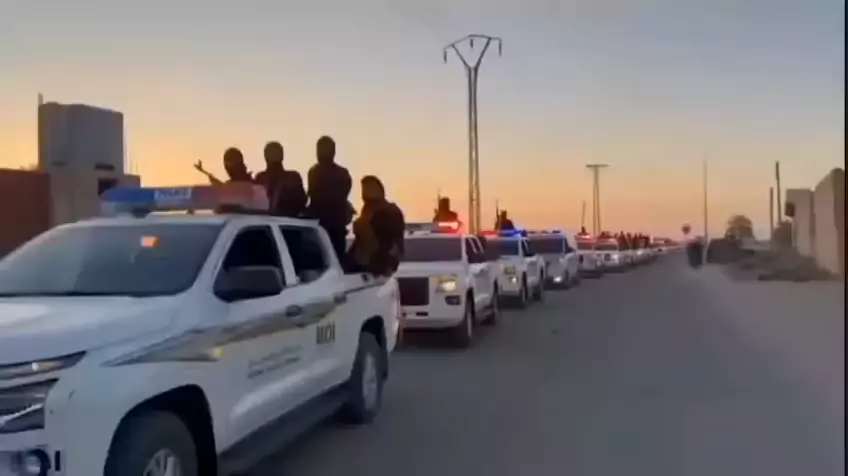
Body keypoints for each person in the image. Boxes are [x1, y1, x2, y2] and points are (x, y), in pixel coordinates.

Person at [306, 136, 353, 260]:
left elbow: (313, 196)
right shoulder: (316, 171)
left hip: (327, 225)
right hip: (329, 225)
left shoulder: (316, 172)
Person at [347, 175, 405, 276]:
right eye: (365, 188)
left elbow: (394, 241)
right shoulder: (368, 210)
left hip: (378, 264)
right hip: (366, 263)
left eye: (369, 188)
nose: (365, 192)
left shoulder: (390, 211)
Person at [254, 141, 307, 217]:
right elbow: (302, 201)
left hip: (265, 221)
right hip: (290, 221)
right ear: (282, 156)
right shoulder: (293, 177)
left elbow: (255, 204)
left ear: (265, 157)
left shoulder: (260, 178)